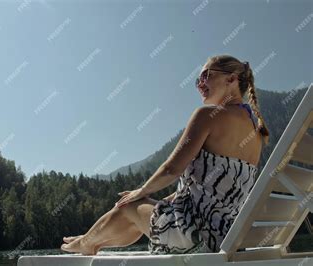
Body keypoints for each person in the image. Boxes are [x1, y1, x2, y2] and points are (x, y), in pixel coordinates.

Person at [60, 54, 270, 255]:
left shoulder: (208, 116)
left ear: (231, 79)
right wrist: (151, 198)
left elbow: (172, 169)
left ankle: (86, 243)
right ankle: (88, 241)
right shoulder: (257, 132)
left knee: (128, 204)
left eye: (207, 75)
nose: (199, 84)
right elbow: (210, 190)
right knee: (142, 208)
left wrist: (140, 191)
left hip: (194, 236)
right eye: (198, 79)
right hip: (228, 238)